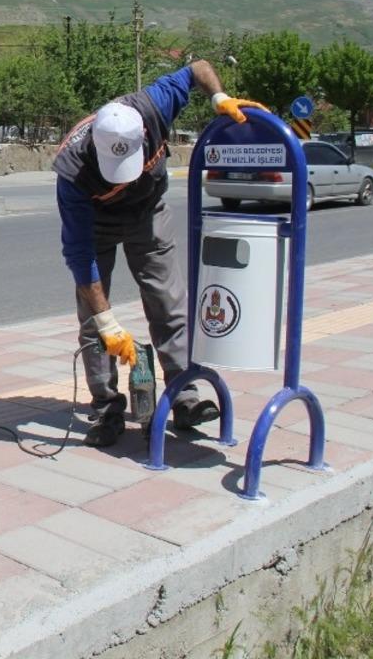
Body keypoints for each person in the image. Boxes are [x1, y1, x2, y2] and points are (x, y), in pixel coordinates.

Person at [54, 60, 265, 447]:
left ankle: (184, 397)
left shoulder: (152, 105)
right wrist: (107, 321)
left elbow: (198, 67)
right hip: (97, 223)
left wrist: (218, 95)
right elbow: (79, 253)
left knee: (169, 303)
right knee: (94, 324)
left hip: (149, 212)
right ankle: (106, 409)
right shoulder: (73, 170)